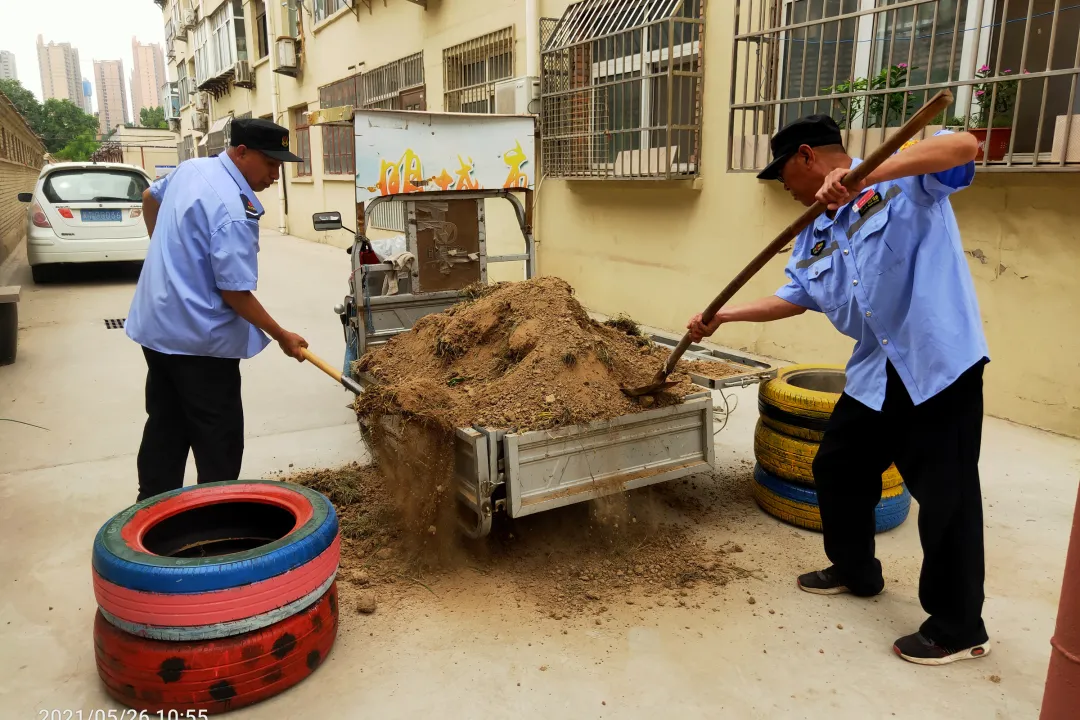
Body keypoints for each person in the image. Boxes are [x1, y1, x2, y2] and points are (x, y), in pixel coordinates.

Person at [688, 114, 989, 666]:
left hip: (936, 362)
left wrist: (869, 174)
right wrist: (722, 316)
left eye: (785, 177)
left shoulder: (904, 182)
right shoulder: (815, 230)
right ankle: (856, 571)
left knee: (947, 498)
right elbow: (796, 296)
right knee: (838, 466)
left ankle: (958, 625)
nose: (786, 190)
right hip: (877, 369)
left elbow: (965, 145)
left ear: (806, 156)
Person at [126, 118, 309, 502]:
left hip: (156, 326)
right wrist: (283, 336)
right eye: (271, 165)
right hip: (199, 344)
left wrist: (166, 257)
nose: (275, 176)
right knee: (218, 441)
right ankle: (213, 524)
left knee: (165, 424)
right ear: (241, 152)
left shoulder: (192, 168)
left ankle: (151, 516)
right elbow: (235, 294)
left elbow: (148, 199)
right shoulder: (233, 211)